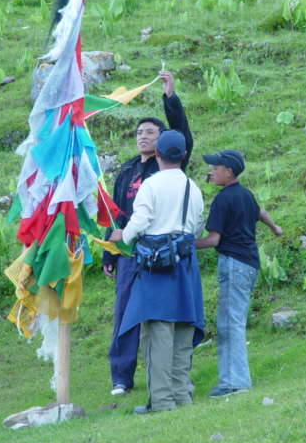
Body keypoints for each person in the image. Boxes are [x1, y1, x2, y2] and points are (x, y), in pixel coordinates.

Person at [103, 71, 193, 396]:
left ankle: (169, 375)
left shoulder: (167, 166)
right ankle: (121, 378)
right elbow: (114, 213)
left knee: (162, 314)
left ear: (162, 139)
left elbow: (183, 135)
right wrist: (109, 253)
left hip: (160, 250)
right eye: (140, 132)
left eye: (150, 132)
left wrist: (170, 96)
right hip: (129, 251)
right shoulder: (127, 170)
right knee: (124, 312)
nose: (143, 136)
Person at [109, 130, 204, 413]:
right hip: (185, 264)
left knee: (158, 333)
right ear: (183, 155)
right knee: (183, 330)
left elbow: (140, 221)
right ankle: (182, 395)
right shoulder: (192, 187)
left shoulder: (150, 185)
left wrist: (123, 236)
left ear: (158, 153)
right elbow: (198, 227)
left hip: (156, 266)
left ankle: (161, 401)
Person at [195, 150, 282, 397]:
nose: (212, 172)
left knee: (229, 323)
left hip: (233, 264)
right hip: (250, 263)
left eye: (216, 168)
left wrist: (184, 244)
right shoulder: (245, 194)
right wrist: (275, 228)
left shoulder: (223, 200)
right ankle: (233, 379)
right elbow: (260, 212)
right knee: (233, 320)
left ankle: (234, 382)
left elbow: (213, 240)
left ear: (229, 172)